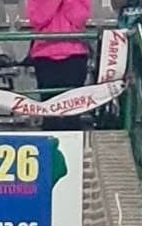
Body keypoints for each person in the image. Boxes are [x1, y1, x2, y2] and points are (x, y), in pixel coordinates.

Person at [26, 0, 92, 130]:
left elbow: (79, 19)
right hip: (44, 56)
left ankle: (73, 146)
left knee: (73, 111)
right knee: (50, 111)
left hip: (75, 55)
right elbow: (38, 20)